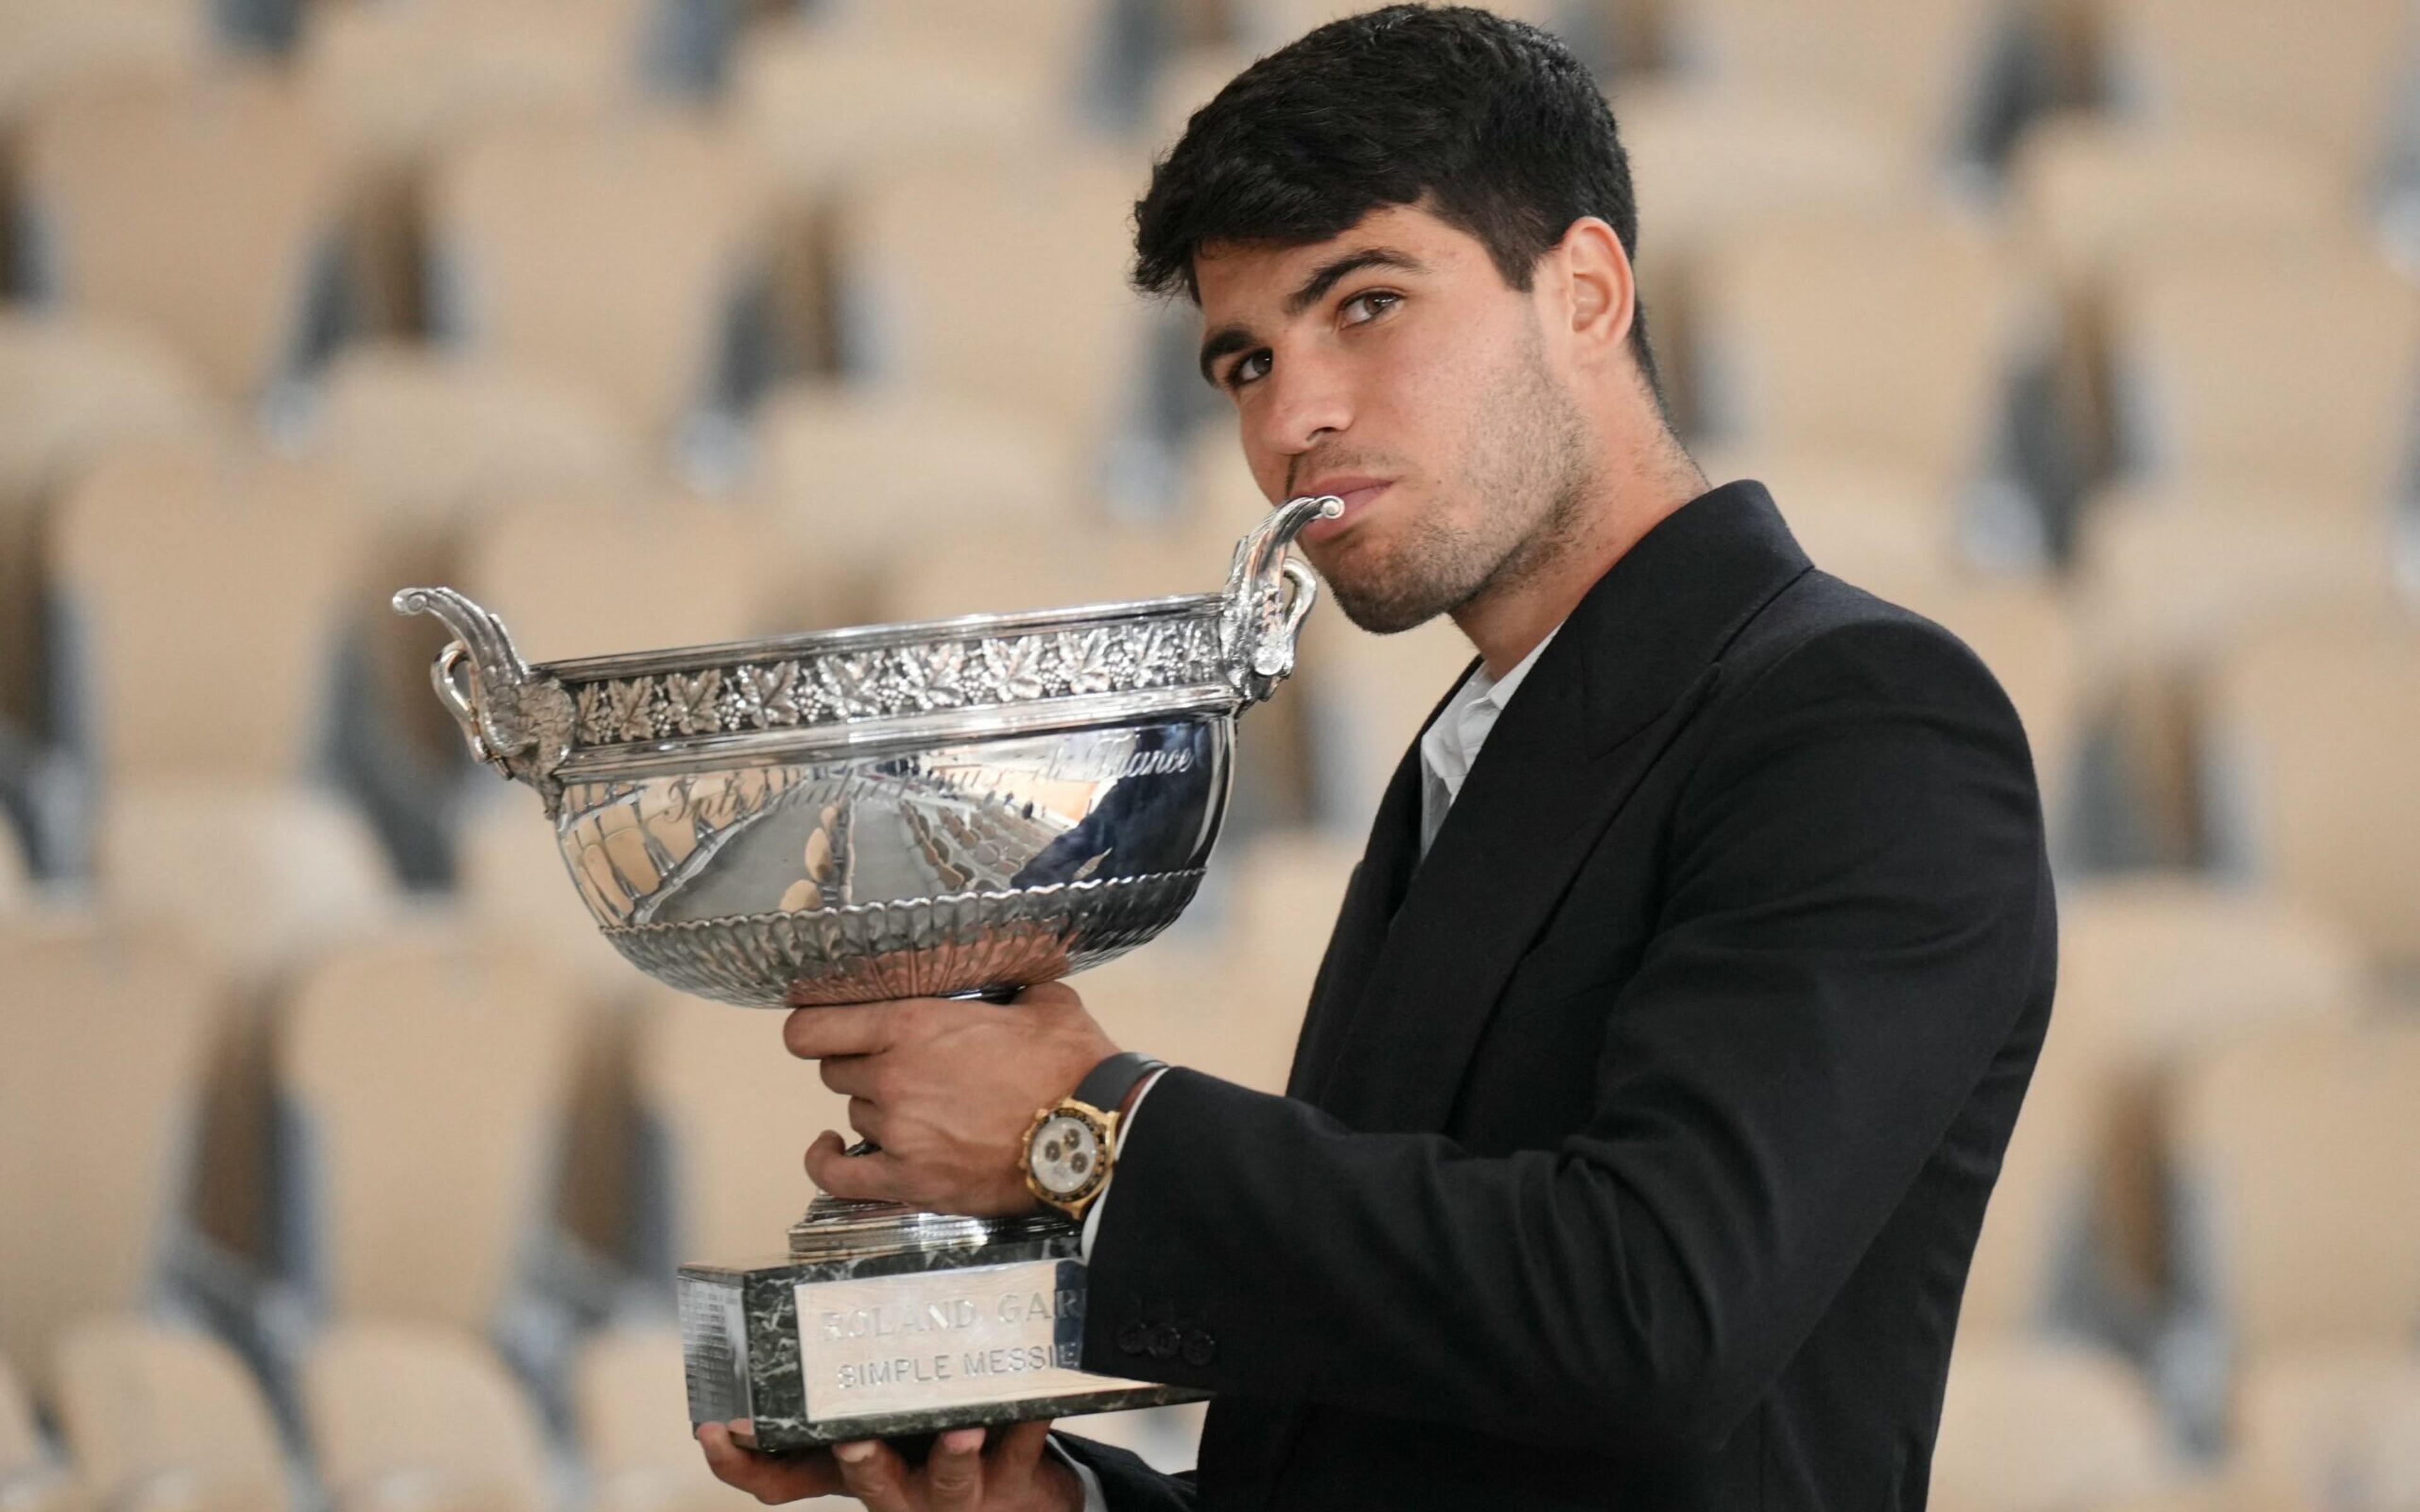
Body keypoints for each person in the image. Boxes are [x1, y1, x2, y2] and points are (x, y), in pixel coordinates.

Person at [699, 7, 2054, 1508]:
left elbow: (1655, 1315)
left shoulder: (1862, 717)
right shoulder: (1472, 750)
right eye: (1243, 364)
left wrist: (1087, 1131)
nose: (1294, 418)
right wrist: (1061, 1505)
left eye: (1365, 306)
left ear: (1588, 292)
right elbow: (1393, 1415)